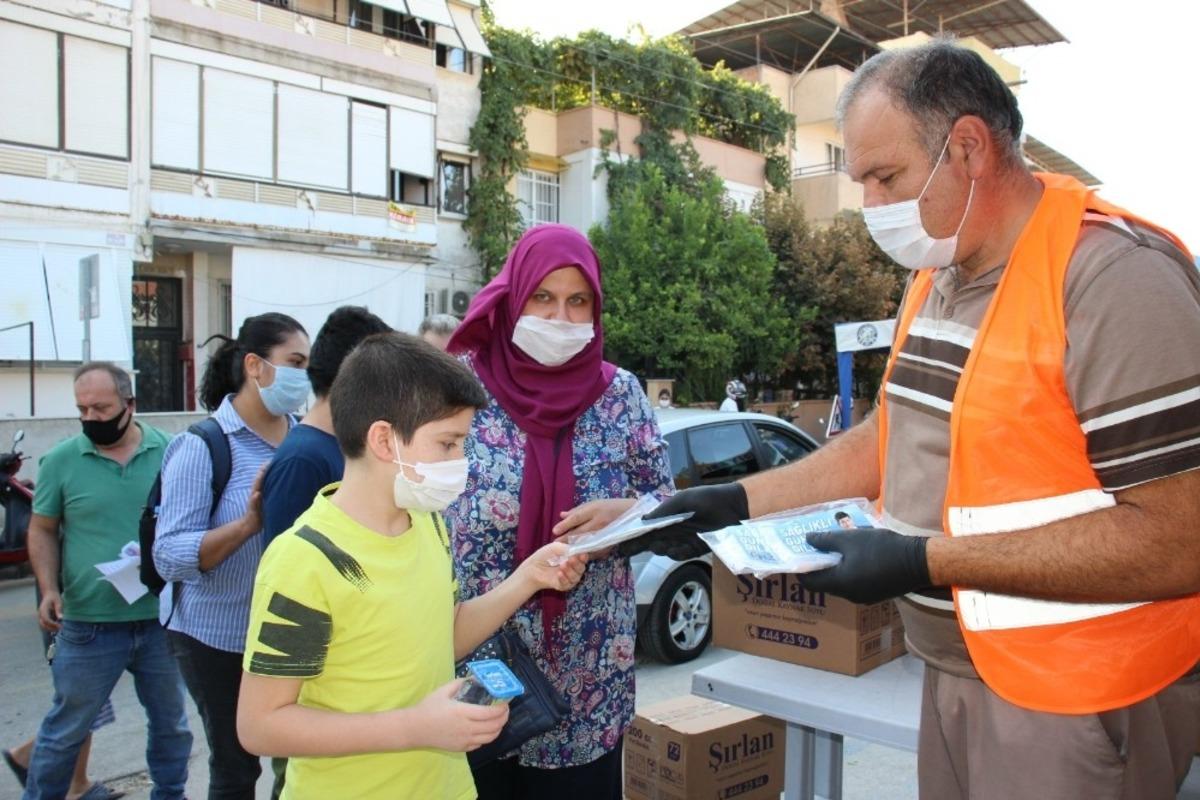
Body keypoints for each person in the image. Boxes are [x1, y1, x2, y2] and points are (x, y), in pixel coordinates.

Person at [634, 40, 1200, 799]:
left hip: (1077, 697)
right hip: (957, 671)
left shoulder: (1112, 279)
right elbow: (887, 437)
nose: (872, 206)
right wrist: (738, 502)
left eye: (887, 177)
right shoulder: (938, 276)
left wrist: (924, 562)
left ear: (968, 147)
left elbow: (1179, 539)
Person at [236, 332, 588, 799]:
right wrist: (414, 728)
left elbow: (441, 632)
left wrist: (528, 578)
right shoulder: (308, 559)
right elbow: (261, 725)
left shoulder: (429, 525)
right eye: (448, 443)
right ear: (384, 439)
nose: (461, 461)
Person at [443, 224, 674, 799]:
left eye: (578, 302)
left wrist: (625, 515)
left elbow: (670, 507)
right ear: (513, 296)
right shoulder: (461, 390)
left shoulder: (620, 396)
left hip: (589, 679)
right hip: (477, 670)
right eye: (542, 298)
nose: (561, 318)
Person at [154, 313, 310, 800]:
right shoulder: (203, 446)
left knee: (302, 760)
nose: (303, 376)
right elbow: (170, 555)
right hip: (218, 637)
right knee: (236, 769)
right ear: (255, 367)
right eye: (295, 363)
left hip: (292, 631)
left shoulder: (306, 438)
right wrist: (247, 525)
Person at [22, 363, 191, 800]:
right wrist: (49, 589)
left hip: (159, 619)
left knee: (171, 724)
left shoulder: (171, 451)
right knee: (66, 730)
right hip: (87, 623)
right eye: (82, 409)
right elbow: (41, 528)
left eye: (101, 407)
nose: (91, 418)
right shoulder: (61, 460)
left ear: (130, 405)